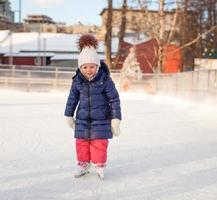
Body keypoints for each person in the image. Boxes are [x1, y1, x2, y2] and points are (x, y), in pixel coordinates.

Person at [64, 34, 122, 179]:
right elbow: (72, 98)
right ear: (80, 67)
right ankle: (83, 165)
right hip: (83, 118)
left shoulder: (105, 80)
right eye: (85, 67)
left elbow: (114, 99)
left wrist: (116, 119)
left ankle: (100, 165)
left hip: (101, 119)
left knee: (99, 144)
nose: (88, 70)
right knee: (81, 144)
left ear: (97, 66)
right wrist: (68, 115)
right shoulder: (77, 81)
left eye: (91, 66)